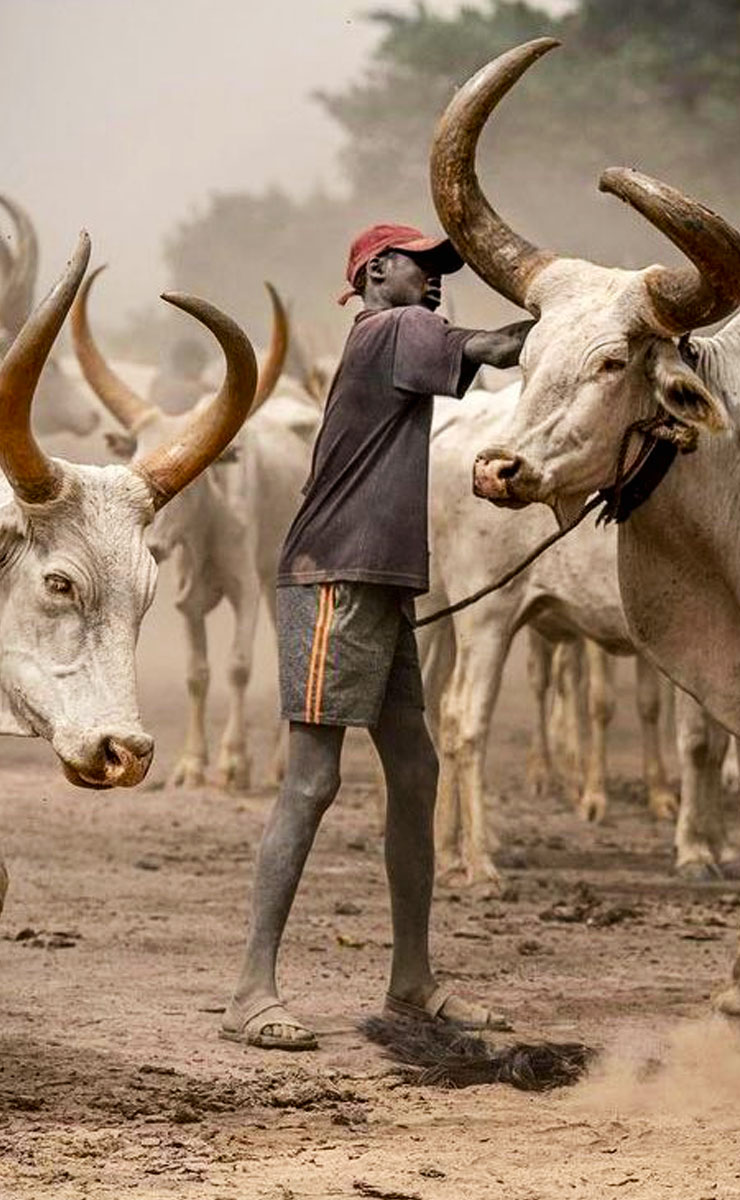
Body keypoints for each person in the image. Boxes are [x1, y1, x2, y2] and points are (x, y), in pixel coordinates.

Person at [219, 223, 533, 1051]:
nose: (434, 277)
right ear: (376, 271)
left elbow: (486, 353)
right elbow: (503, 345)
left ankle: (411, 982)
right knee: (312, 781)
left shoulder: (398, 339)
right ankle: (251, 991)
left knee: (417, 768)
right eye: (420, 264)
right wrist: (586, 309)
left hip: (379, 582)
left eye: (439, 268)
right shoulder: (394, 328)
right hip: (335, 580)